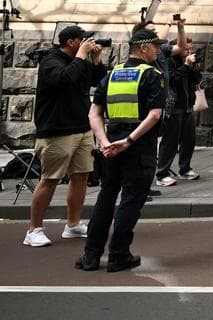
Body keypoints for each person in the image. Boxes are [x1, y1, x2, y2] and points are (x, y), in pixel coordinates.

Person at [74, 29, 167, 272]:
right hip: (138, 145)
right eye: (155, 46)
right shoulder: (152, 75)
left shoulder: (112, 74)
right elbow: (155, 115)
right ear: (144, 48)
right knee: (131, 200)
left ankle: (91, 256)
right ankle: (118, 255)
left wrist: (104, 141)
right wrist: (129, 140)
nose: (158, 51)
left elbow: (94, 113)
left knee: (106, 197)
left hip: (111, 145)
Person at [25, 25, 107, 248]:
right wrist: (81, 56)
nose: (87, 43)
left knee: (81, 176)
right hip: (57, 130)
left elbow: (99, 82)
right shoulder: (51, 61)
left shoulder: (80, 62)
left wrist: (96, 60)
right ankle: (34, 229)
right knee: (50, 179)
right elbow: (64, 79)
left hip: (82, 128)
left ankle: (73, 225)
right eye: (83, 40)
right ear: (71, 42)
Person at [155, 45, 201, 186]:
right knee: (170, 142)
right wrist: (186, 66)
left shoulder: (187, 62)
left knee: (189, 140)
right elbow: (172, 79)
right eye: (186, 48)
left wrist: (193, 68)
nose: (189, 51)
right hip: (174, 107)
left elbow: (197, 80)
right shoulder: (168, 61)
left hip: (188, 106)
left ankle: (185, 169)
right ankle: (162, 174)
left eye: (190, 48)